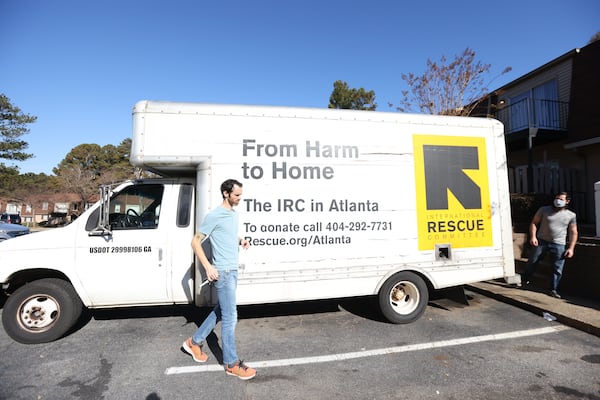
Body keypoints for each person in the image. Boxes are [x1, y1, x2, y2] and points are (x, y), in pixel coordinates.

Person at [182, 179, 256, 380]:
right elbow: (195, 242)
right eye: (237, 195)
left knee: (222, 311)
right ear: (226, 193)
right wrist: (208, 267)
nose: (240, 198)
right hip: (222, 272)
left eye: (241, 194)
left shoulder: (233, 214)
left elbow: (228, 234)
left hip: (232, 270)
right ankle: (231, 364)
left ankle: (194, 342)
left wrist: (241, 240)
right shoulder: (215, 215)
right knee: (231, 317)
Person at [522, 191, 578, 299]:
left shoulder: (571, 215)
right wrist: (533, 237)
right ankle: (525, 280)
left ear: (567, 201)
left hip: (559, 243)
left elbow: (573, 232)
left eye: (561, 199)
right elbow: (534, 223)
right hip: (542, 241)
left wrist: (571, 248)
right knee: (533, 261)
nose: (558, 201)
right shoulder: (544, 210)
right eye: (557, 198)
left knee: (557, 268)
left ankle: (553, 289)